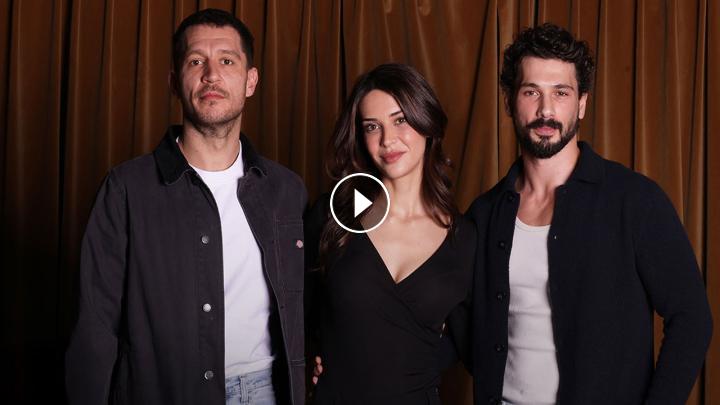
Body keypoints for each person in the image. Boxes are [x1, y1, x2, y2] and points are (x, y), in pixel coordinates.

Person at [65, 9, 307, 405]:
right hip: (164, 393)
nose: (211, 75)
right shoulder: (126, 189)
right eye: (196, 61)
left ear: (251, 81)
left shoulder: (286, 189)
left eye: (227, 61)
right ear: (175, 82)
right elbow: (95, 324)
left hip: (267, 391)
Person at [465, 23, 713, 405]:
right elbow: (459, 326)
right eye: (531, 92)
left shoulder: (635, 200)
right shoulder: (484, 215)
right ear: (509, 102)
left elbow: (692, 318)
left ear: (581, 103)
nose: (546, 110)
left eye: (560, 93)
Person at [304, 63, 475, 405]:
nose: (387, 140)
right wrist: (309, 354)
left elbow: (470, 340)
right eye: (372, 126)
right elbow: (296, 307)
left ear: (426, 122)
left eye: (400, 120)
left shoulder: (463, 238)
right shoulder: (335, 215)